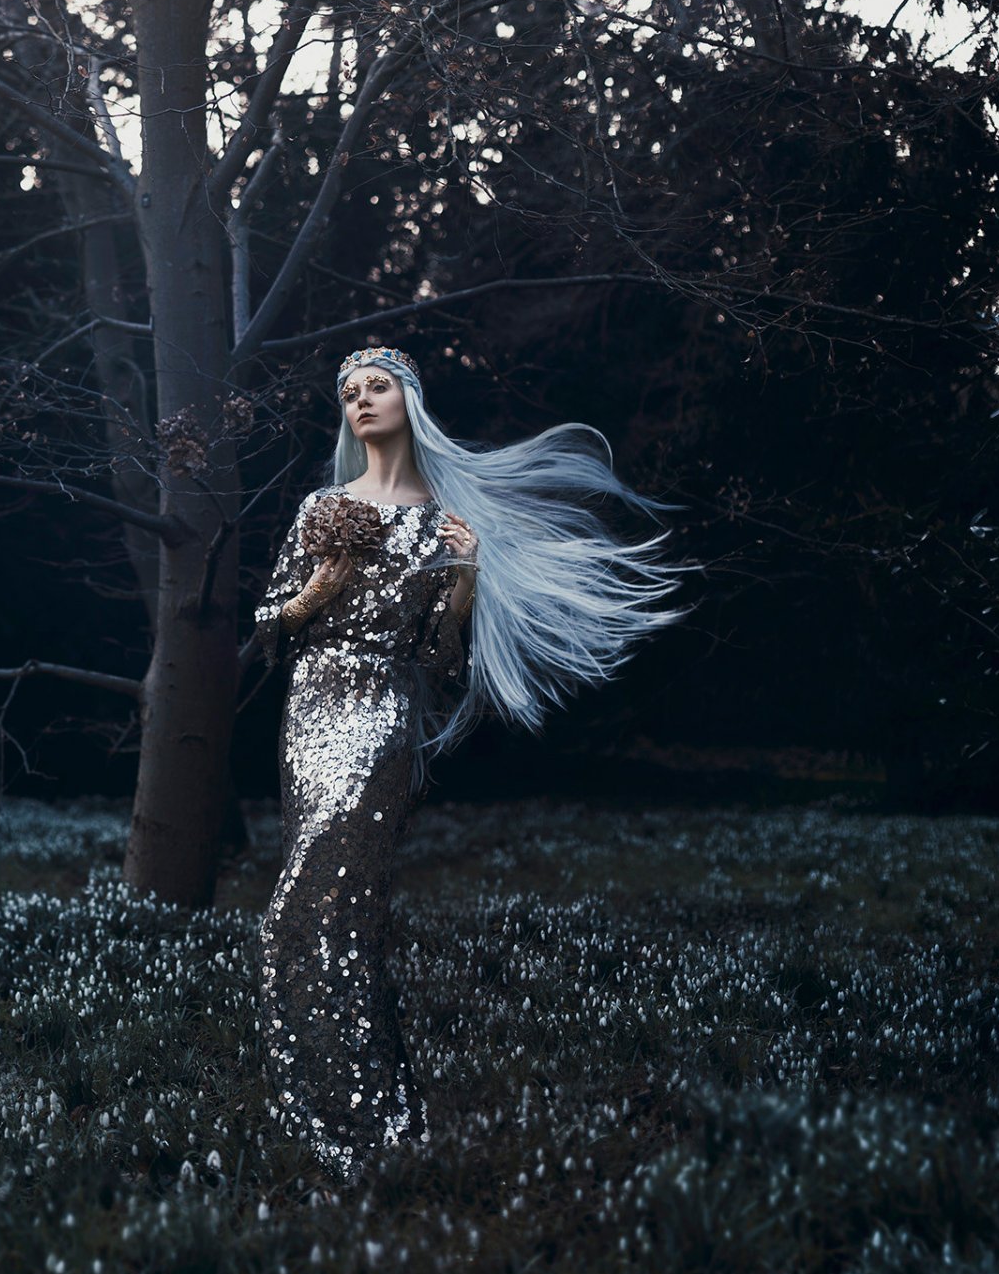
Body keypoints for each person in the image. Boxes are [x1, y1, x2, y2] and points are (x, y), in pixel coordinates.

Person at [251, 344, 696, 1185]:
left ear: (410, 399)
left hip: (380, 712)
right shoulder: (322, 506)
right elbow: (274, 622)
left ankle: (358, 1115)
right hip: (307, 710)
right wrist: (318, 589)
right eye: (349, 393)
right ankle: (346, 1108)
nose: (362, 401)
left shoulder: (446, 521)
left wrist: (462, 581)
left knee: (313, 914)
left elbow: (439, 660)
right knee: (328, 914)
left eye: (378, 386)